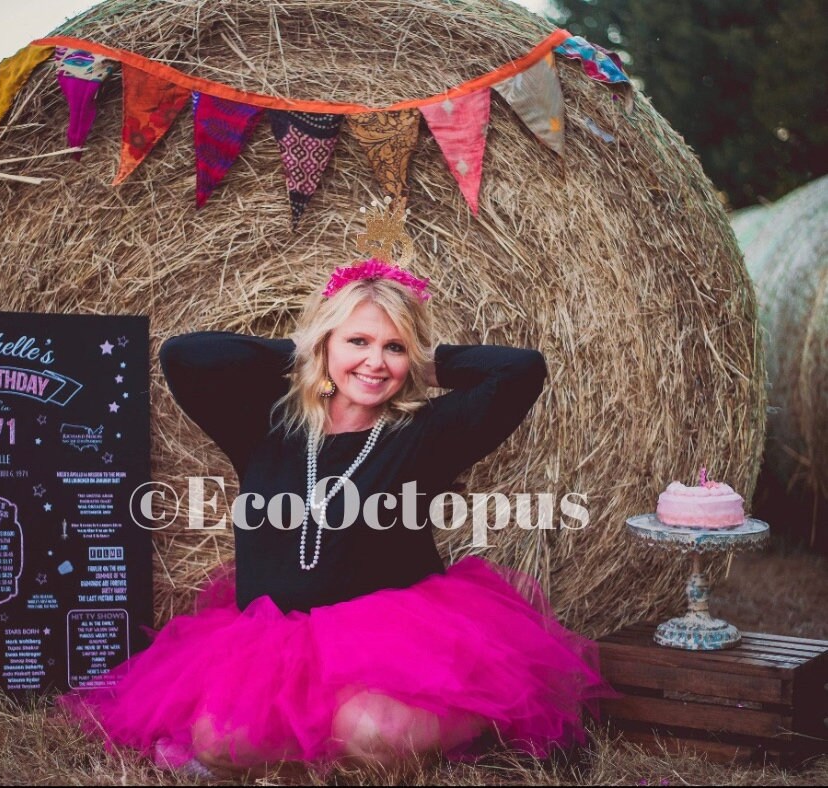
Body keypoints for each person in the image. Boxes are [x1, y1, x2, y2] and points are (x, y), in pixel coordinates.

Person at [57, 256, 615, 777]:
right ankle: (314, 743)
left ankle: (487, 720)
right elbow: (186, 354)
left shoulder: (426, 433)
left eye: (393, 348)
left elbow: (521, 371)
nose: (375, 362)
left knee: (372, 737)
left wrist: (422, 361)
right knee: (219, 745)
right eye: (358, 341)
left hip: (395, 641)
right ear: (325, 342)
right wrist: (311, 349)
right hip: (273, 641)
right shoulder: (264, 426)